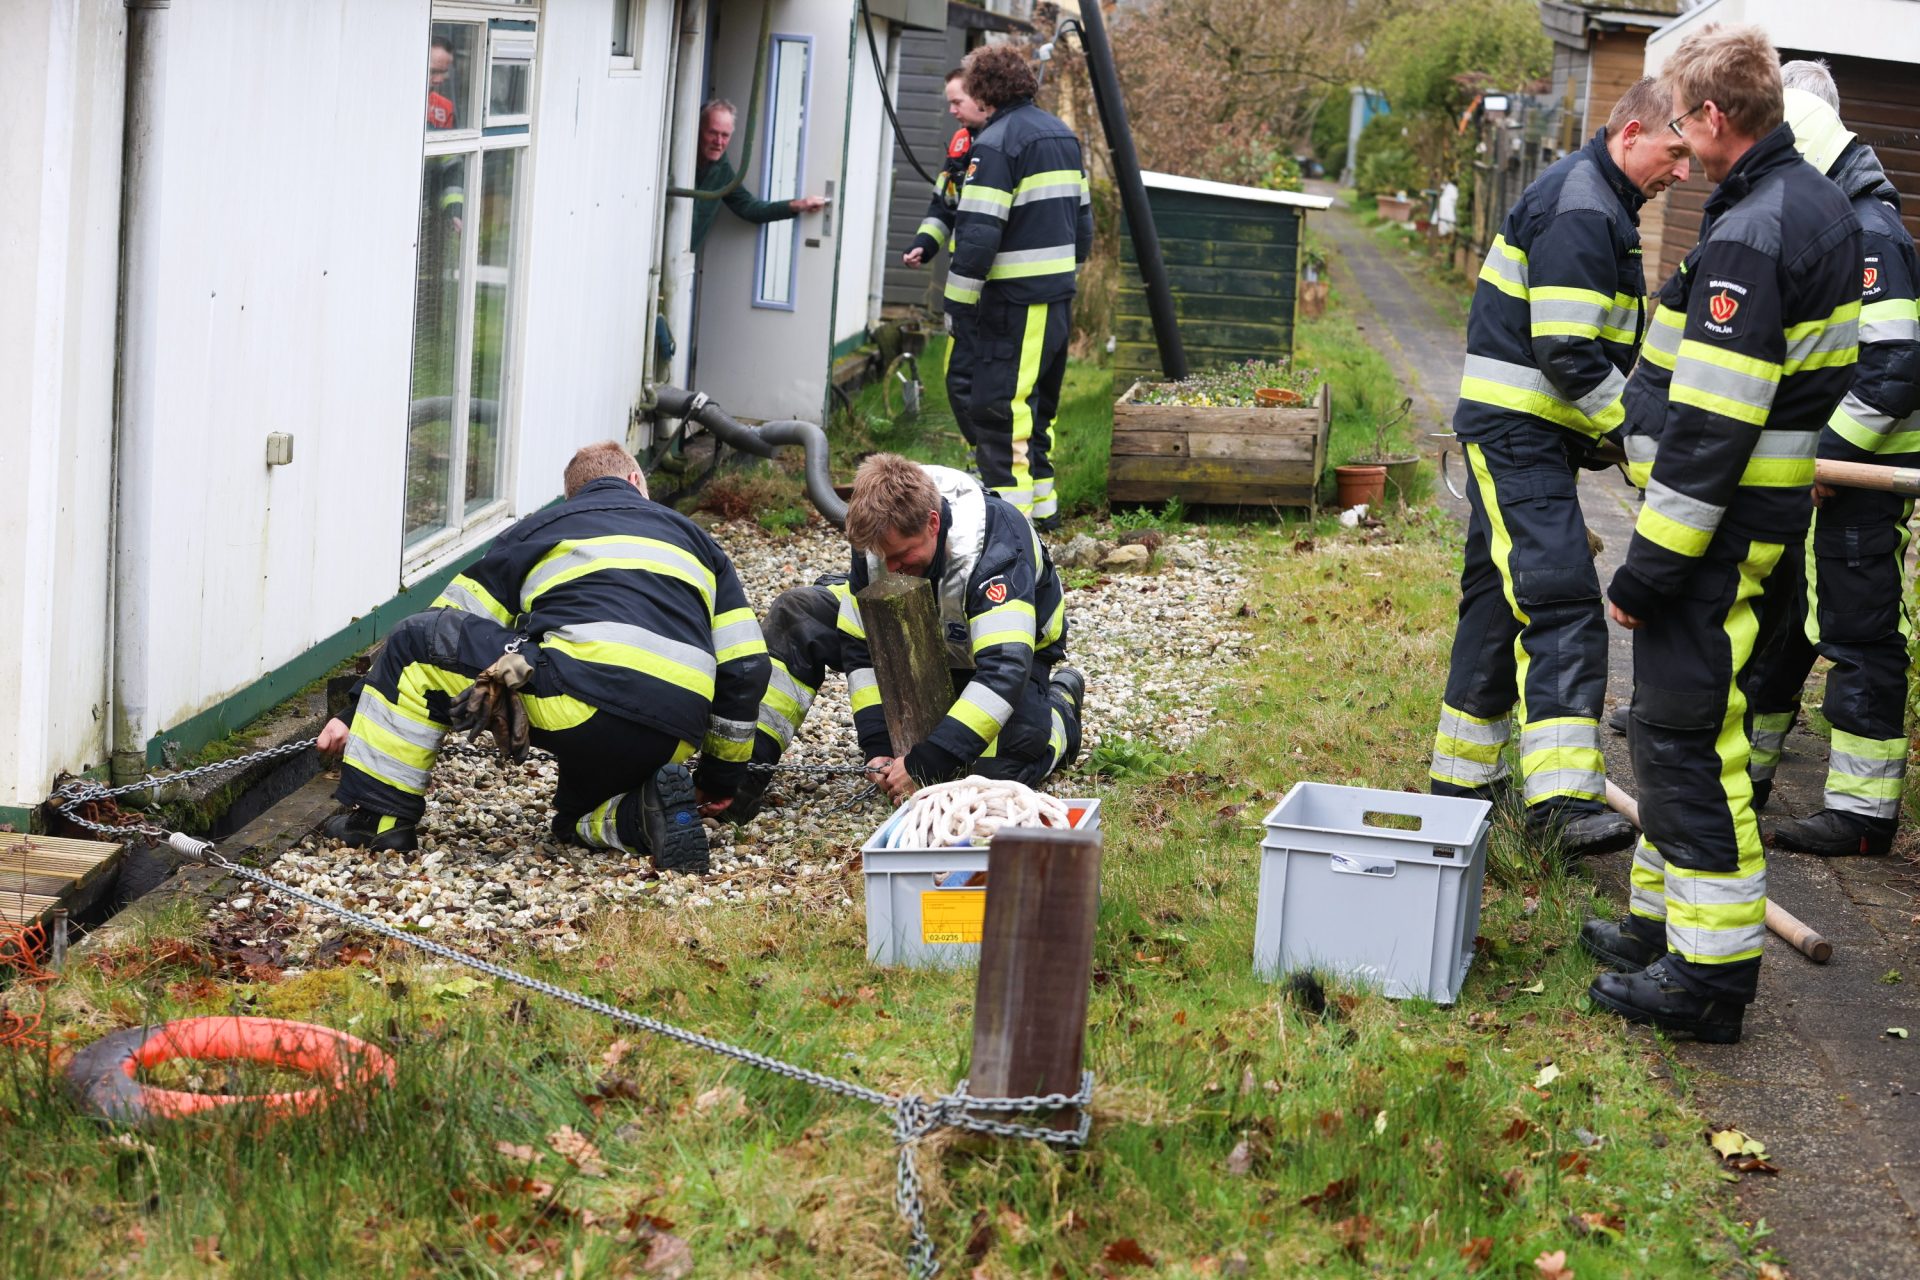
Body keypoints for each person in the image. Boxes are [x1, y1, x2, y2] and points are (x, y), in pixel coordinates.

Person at [1582, 26, 1861, 1044]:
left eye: (1685, 124)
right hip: (1756, 520)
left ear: (1711, 116)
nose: (1681, 145)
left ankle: (1706, 977)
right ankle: (1667, 925)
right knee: (1681, 724)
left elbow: (1712, 432)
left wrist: (1648, 570)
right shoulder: (1804, 206)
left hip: (1714, 527)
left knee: (1686, 739)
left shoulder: (1755, 229)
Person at [1428, 76, 1691, 859]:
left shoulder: (1600, 201)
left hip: (1525, 434)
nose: (1682, 172)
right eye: (1675, 153)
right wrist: (1641, 439)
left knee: (1497, 603)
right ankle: (1562, 800)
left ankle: (1462, 783)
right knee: (1562, 599)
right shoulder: (1585, 207)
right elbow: (1570, 353)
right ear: (1633, 131)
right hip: (1521, 437)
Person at [316, 443, 770, 875]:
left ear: (573, 495)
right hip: (676, 729)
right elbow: (746, 665)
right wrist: (719, 778)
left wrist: (353, 712)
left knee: (417, 635)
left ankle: (377, 822)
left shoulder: (542, 528)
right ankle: (641, 815)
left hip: (579, 705)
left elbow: (449, 621)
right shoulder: (701, 543)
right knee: (574, 819)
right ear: (635, 479)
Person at [1744, 65, 1920, 857]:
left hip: (1857, 481)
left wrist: (1823, 460)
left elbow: (1893, 369)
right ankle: (1747, 768)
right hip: (1818, 475)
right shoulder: (1841, 222)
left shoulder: (1871, 234)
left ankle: (1861, 814)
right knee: (1786, 625)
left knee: (1860, 634)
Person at [725, 454, 1084, 820]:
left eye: (902, 555)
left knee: (992, 778)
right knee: (797, 613)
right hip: (923, 636)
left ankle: (1061, 714)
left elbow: (1003, 670)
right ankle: (739, 777)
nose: (891, 568)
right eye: (884, 557)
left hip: (1003, 658)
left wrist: (927, 762)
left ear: (932, 523)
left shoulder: (998, 547)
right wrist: (877, 744)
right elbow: (861, 647)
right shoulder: (879, 539)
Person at [945, 44, 1094, 528]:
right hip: (1056, 298)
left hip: (1013, 302)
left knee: (999, 411)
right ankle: (1044, 516)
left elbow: (977, 236)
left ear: (984, 89)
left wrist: (958, 305)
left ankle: (1011, 532)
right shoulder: (1063, 136)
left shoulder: (995, 143)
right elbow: (1084, 226)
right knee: (1036, 410)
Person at [903, 69, 993, 448]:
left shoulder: (1003, 143)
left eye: (957, 102)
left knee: (982, 379)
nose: (952, 110)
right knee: (961, 378)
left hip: (995, 287)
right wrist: (925, 243)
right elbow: (944, 205)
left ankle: (994, 459)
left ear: (982, 99)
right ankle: (982, 455)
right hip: (963, 284)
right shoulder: (960, 144)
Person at [688, 99, 828, 253]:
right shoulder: (675, 159)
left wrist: (797, 205)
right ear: (698, 129)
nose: (719, 142)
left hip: (682, 261)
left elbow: (749, 208)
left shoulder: (722, 169)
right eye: (713, 133)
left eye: (725, 135)